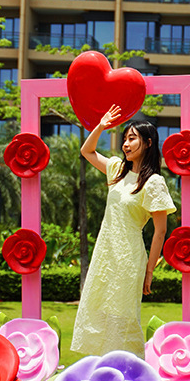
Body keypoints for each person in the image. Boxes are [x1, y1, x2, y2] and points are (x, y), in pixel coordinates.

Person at [70, 104, 176, 357]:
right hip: (105, 253)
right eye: (125, 139)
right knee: (97, 308)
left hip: (129, 256)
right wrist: (101, 126)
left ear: (148, 143)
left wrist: (149, 271)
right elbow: (87, 151)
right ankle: (102, 364)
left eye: (132, 139)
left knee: (123, 315)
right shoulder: (117, 170)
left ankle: (131, 365)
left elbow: (160, 231)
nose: (126, 144)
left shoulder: (153, 182)